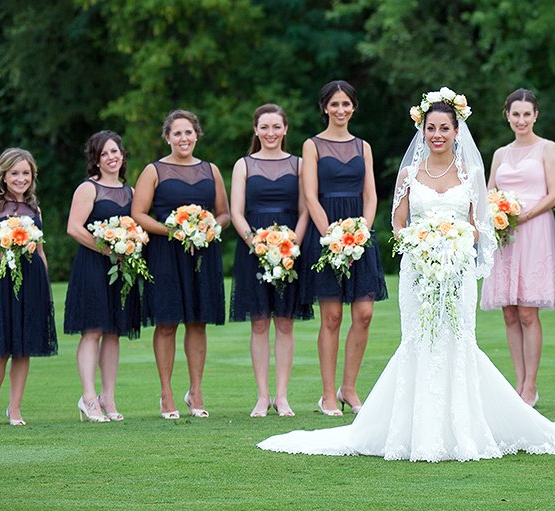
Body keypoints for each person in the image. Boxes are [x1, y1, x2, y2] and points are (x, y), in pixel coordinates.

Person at [259, 91, 555, 461]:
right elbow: (398, 224)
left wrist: (454, 243)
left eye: (444, 128)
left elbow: (476, 226)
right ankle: (412, 428)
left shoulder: (470, 174)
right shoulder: (409, 174)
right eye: (430, 127)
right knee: (419, 340)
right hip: (418, 271)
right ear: (422, 131)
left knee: (457, 339)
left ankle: (464, 427)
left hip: (457, 269)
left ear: (456, 131)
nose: (437, 134)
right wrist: (420, 243)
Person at [132, 110, 229, 419]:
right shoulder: (154, 171)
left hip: (202, 255)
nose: (184, 138)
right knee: (167, 322)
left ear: (197, 135)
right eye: (177, 133)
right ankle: (166, 393)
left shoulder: (210, 170)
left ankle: (196, 391)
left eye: (189, 132)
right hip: (165, 255)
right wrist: (175, 231)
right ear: (167, 137)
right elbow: (139, 214)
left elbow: (224, 213)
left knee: (198, 321)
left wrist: (207, 228)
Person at [300, 81, 388, 416]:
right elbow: (310, 195)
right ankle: (326, 394)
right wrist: (332, 237)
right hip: (326, 235)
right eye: (334, 104)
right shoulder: (313, 146)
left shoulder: (363, 146)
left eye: (346, 104)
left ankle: (348, 389)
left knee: (364, 313)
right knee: (333, 316)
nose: (340, 110)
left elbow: (371, 195)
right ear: (325, 108)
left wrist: (361, 231)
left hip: (359, 234)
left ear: (353, 107)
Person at [480, 89, 555, 406]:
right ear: (507, 115)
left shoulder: (547, 148)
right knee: (510, 312)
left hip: (534, 229)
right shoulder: (501, 154)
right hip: (506, 235)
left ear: (535, 116)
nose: (521, 120)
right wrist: (496, 212)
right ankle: (518, 381)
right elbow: (490, 189)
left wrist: (523, 215)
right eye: (516, 114)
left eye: (527, 114)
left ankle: (531, 384)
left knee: (528, 311)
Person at [229, 104, 313, 417]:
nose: (270, 133)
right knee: (260, 322)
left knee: (286, 323)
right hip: (255, 251)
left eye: (276, 127)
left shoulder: (299, 164)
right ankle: (262, 397)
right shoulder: (244, 165)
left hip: (291, 250)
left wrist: (292, 245)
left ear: (285, 129)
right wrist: (257, 244)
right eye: (264, 127)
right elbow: (236, 211)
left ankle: (282, 396)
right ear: (255, 130)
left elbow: (305, 209)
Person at [0, 148, 57, 427]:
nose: (21, 178)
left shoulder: (35, 209)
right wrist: (9, 253)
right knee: (0, 348)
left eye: (26, 173)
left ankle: (15, 408)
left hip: (32, 282)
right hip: (2, 283)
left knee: (24, 347)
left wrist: (44, 283)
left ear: (32, 176)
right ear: (4, 176)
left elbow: (40, 251)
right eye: (15, 173)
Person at [64, 131, 143, 423]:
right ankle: (88, 397)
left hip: (120, 270)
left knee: (113, 332)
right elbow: (74, 227)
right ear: (96, 160)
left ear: (122, 156)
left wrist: (129, 246)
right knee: (93, 330)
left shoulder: (131, 192)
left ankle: (108, 397)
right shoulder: (88, 189)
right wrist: (106, 247)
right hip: (93, 267)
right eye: (105, 153)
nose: (112, 157)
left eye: (115, 152)